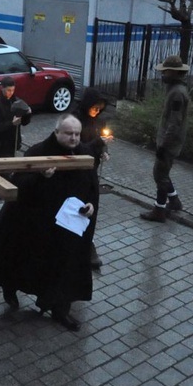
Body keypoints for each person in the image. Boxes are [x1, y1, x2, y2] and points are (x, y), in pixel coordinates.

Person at [0, 114, 99, 332]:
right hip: (37, 224)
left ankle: (60, 309)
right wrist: (41, 177)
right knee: (24, 261)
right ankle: (10, 287)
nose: (74, 138)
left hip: (69, 225)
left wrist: (91, 204)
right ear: (56, 132)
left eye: (77, 134)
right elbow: (19, 185)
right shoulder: (38, 152)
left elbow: (91, 185)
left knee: (66, 267)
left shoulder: (85, 153)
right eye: (69, 134)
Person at [139, 55, 190, 223]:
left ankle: (159, 210)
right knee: (163, 173)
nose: (163, 75)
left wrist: (163, 145)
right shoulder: (175, 90)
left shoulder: (177, 94)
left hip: (169, 142)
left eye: (165, 72)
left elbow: (175, 123)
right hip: (169, 141)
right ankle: (174, 201)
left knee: (159, 175)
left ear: (174, 73)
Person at [74, 87, 113, 269]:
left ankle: (88, 243)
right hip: (76, 170)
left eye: (100, 109)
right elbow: (78, 147)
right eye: (94, 108)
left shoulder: (97, 121)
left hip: (92, 171)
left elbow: (99, 140)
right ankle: (82, 245)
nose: (96, 111)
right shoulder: (75, 120)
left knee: (91, 207)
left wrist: (104, 151)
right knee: (78, 208)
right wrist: (98, 144)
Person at [0, 76, 31, 158]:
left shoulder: (17, 101)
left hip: (13, 142)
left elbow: (24, 122)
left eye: (13, 90)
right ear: (2, 88)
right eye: (8, 90)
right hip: (1, 144)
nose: (11, 93)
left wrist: (28, 114)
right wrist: (11, 123)